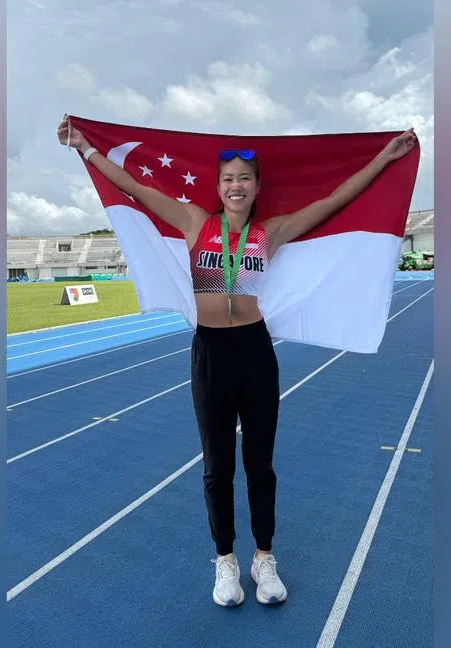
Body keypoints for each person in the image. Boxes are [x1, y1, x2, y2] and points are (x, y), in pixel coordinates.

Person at [57, 117, 418, 607]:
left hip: (254, 351)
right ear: (218, 186)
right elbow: (134, 186)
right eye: (227, 178)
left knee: (260, 465)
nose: (235, 186)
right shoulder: (192, 222)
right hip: (210, 352)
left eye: (243, 179)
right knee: (217, 466)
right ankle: (225, 562)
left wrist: (384, 158)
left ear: (256, 187)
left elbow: (332, 202)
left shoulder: (270, 232)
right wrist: (85, 148)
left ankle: (263, 559)